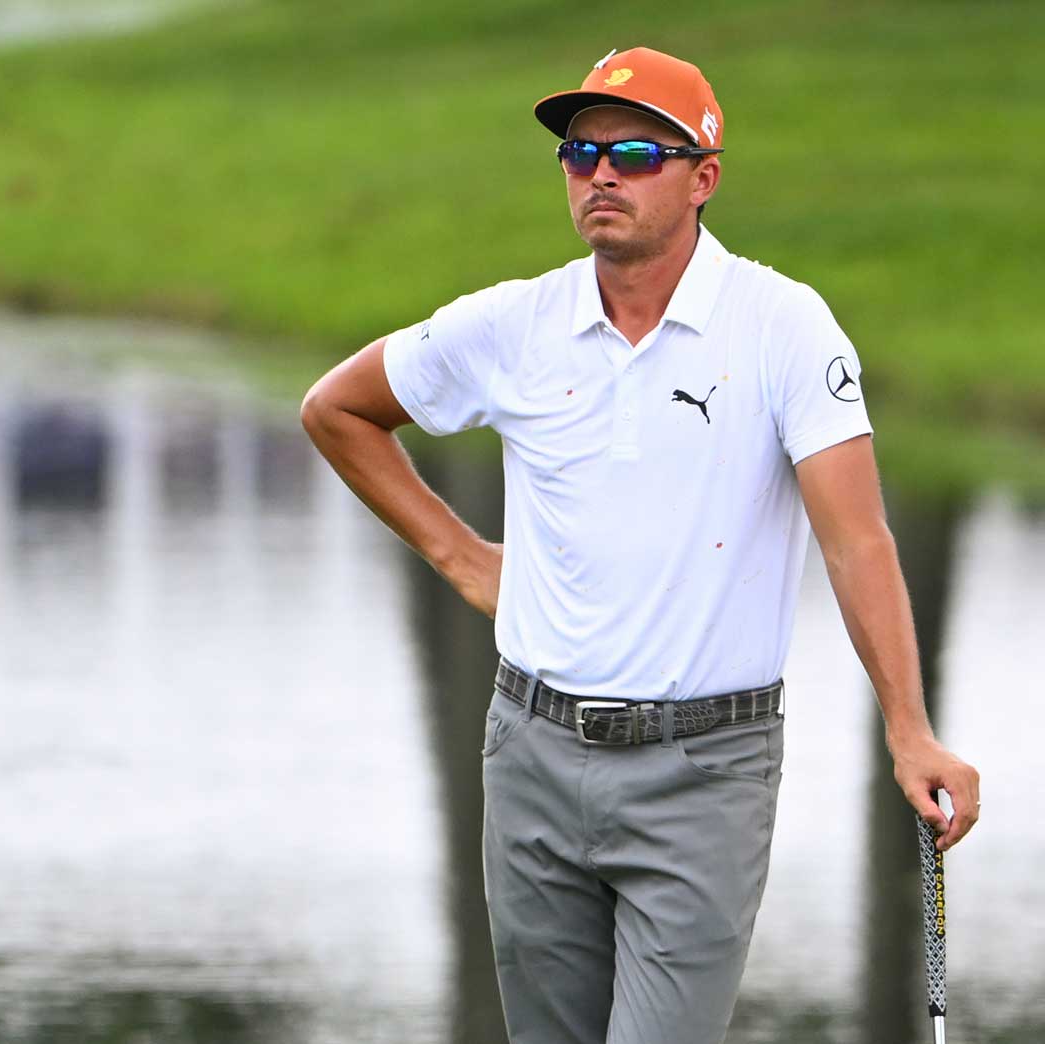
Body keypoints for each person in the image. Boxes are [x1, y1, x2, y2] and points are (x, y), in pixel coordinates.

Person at [298, 45, 981, 1043]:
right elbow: (336, 410)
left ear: (701, 178)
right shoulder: (512, 324)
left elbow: (856, 542)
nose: (600, 174)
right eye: (578, 153)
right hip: (529, 752)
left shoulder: (782, 328)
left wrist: (906, 727)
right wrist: (460, 556)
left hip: (704, 768)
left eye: (633, 152)